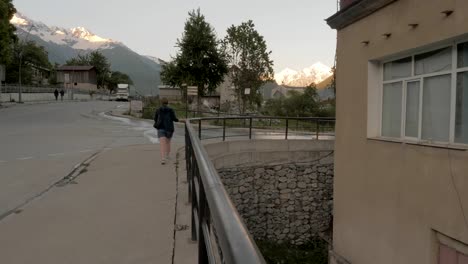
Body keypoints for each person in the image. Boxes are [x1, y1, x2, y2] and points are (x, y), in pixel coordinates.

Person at [154, 98, 179, 164]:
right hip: (169, 129)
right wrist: (179, 120)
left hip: (160, 128)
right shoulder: (171, 110)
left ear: (161, 103)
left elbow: (155, 119)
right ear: (167, 103)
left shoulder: (158, 110)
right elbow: (174, 119)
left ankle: (163, 159)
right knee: (168, 143)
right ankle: (167, 155)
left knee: (162, 144)